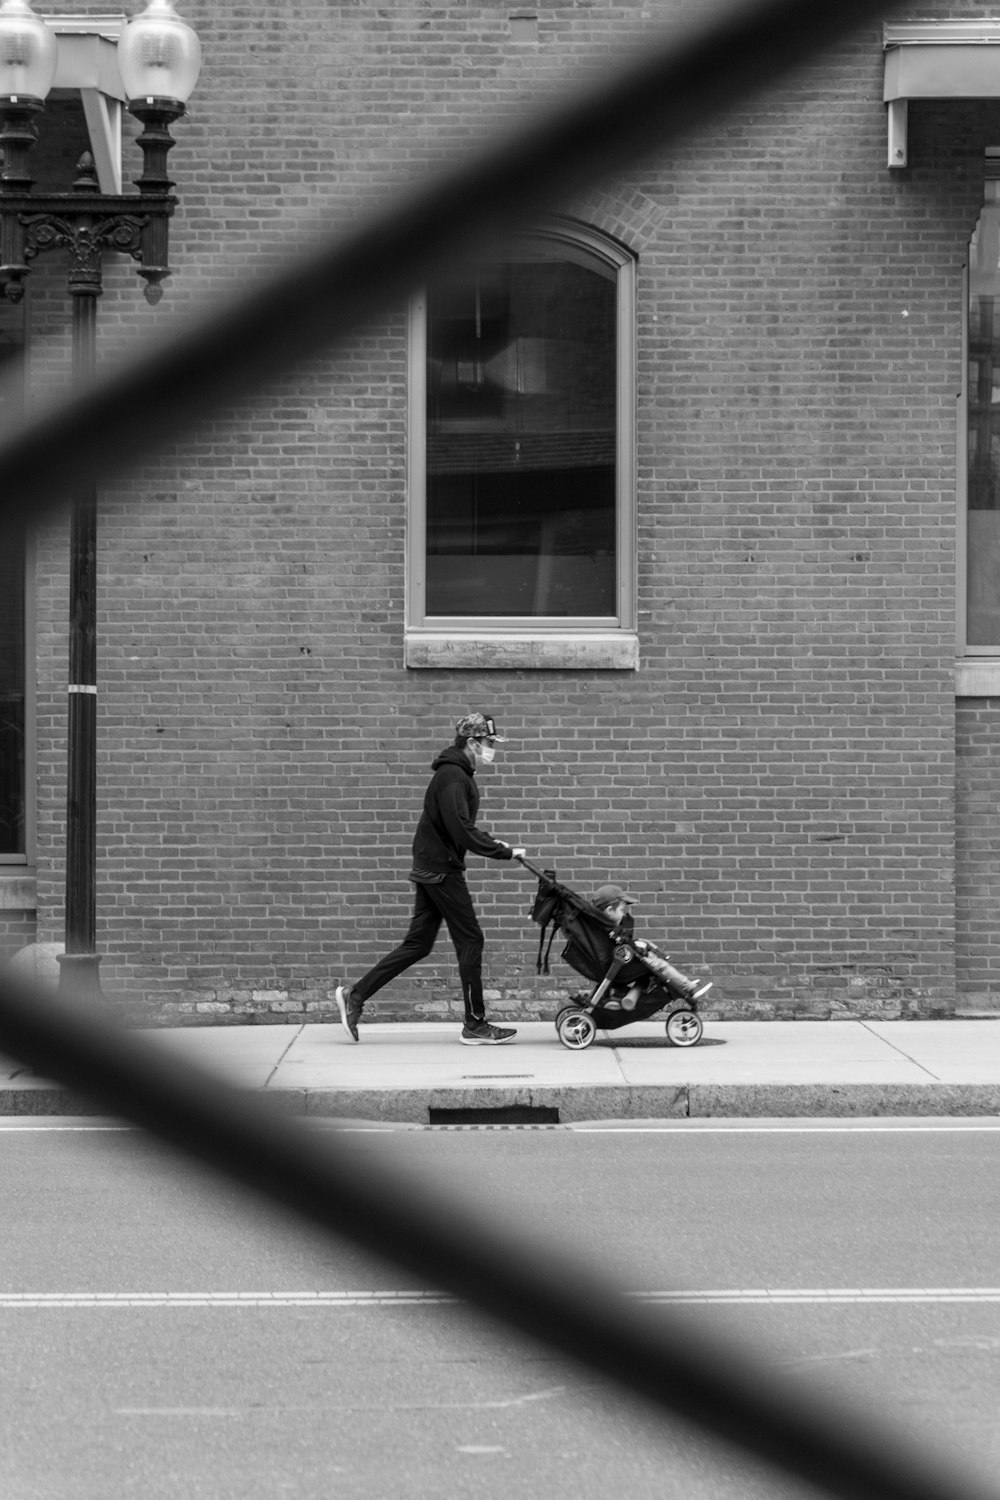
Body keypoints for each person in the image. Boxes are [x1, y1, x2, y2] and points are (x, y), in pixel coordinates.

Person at [336, 713, 526, 1045]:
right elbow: (460, 829)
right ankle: (475, 1024)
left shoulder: (455, 773)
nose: (491, 750)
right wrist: (501, 850)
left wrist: (496, 845)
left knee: (418, 944)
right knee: (471, 940)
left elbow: (459, 826)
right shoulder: (453, 776)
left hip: (431, 866)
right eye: (488, 744)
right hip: (441, 870)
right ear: (471, 743)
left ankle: (355, 994)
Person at [591, 883, 713, 1004]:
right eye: (622, 910)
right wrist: (635, 947)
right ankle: (689, 988)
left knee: (652, 955)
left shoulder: (602, 927)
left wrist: (636, 945)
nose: (624, 914)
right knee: (660, 966)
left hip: (619, 964)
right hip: (620, 968)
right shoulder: (610, 930)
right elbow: (618, 946)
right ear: (609, 910)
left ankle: (685, 983)